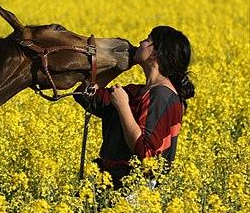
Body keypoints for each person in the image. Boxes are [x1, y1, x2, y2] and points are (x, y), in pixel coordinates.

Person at [74, 26, 195, 190]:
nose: (140, 42)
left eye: (148, 39)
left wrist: (123, 107)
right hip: (109, 183)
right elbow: (84, 93)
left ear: (157, 53)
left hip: (132, 191)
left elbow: (146, 154)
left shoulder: (163, 96)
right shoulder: (136, 92)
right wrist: (118, 66)